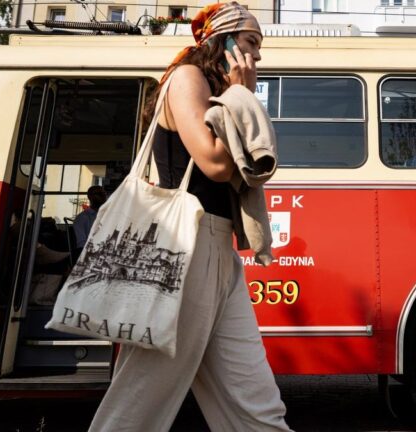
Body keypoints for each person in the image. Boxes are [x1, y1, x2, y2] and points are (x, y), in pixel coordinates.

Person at [88, 3, 291, 432]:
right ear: (224, 39)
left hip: (218, 254)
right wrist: (243, 94)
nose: (258, 55)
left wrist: (237, 95)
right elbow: (216, 163)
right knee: (137, 407)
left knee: (257, 408)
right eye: (252, 42)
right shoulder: (187, 78)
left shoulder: (219, 91)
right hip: (183, 252)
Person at [72, 185, 107, 253]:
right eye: (99, 194)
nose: (103, 196)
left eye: (104, 193)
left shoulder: (107, 215)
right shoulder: (82, 218)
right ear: (90, 197)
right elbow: (81, 244)